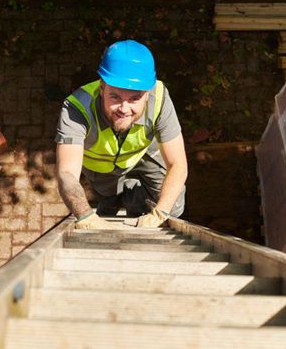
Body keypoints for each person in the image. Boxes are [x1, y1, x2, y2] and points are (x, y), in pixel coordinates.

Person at [55, 39, 187, 229]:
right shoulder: (76, 108)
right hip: (101, 169)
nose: (124, 109)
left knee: (173, 206)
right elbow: (66, 173)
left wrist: (161, 212)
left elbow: (178, 164)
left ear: (148, 94)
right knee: (108, 197)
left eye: (134, 99)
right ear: (102, 88)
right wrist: (84, 215)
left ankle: (133, 199)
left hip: (143, 153)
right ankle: (113, 202)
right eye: (115, 97)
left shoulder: (160, 98)